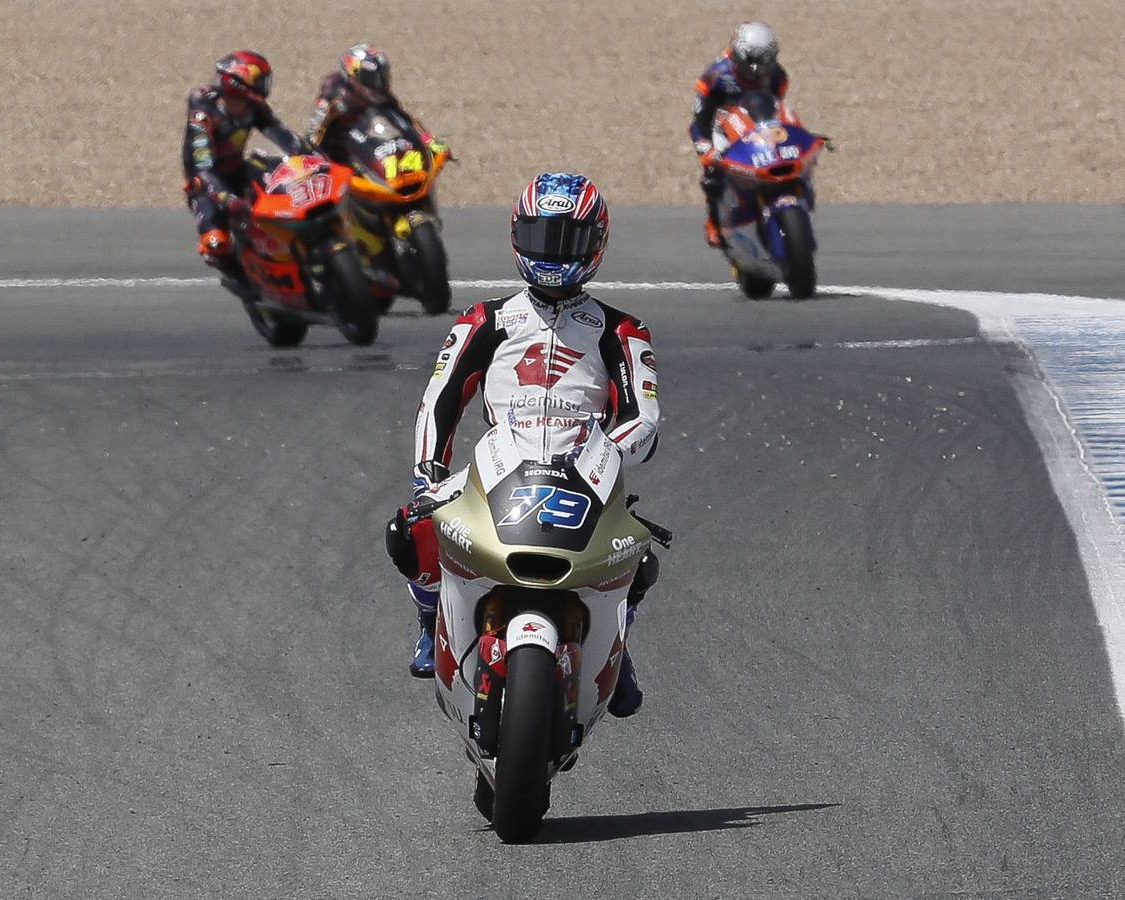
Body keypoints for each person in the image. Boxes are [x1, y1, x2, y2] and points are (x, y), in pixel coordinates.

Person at [385, 173, 661, 718]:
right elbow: (439, 399)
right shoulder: (484, 319)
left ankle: (616, 646)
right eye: (541, 237)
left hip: (588, 469)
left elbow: (643, 418)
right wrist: (428, 476)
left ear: (596, 244)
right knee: (408, 530)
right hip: (499, 462)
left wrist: (606, 456)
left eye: (568, 241)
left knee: (640, 556)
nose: (553, 254)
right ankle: (427, 622)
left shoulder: (622, 330)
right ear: (517, 235)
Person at [183, 50, 312, 271]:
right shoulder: (204, 113)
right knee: (215, 245)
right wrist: (228, 200)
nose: (265, 85)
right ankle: (241, 276)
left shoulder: (254, 108)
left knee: (285, 191)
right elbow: (203, 168)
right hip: (206, 183)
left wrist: (312, 156)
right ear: (239, 82)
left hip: (238, 170)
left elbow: (281, 134)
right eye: (260, 79)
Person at [689, 22, 790, 248]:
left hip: (761, 125)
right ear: (737, 55)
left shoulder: (778, 77)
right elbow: (699, 120)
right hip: (724, 128)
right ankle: (714, 221)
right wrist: (706, 148)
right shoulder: (715, 75)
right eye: (749, 62)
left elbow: (780, 110)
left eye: (763, 62)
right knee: (713, 172)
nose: (755, 70)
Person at [306, 44, 446, 162]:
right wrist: (313, 158)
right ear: (352, 75)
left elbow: (401, 118)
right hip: (335, 151)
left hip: (364, 142)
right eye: (371, 78)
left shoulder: (379, 94)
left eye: (381, 77)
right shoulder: (334, 93)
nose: (378, 83)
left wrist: (426, 139)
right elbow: (315, 131)